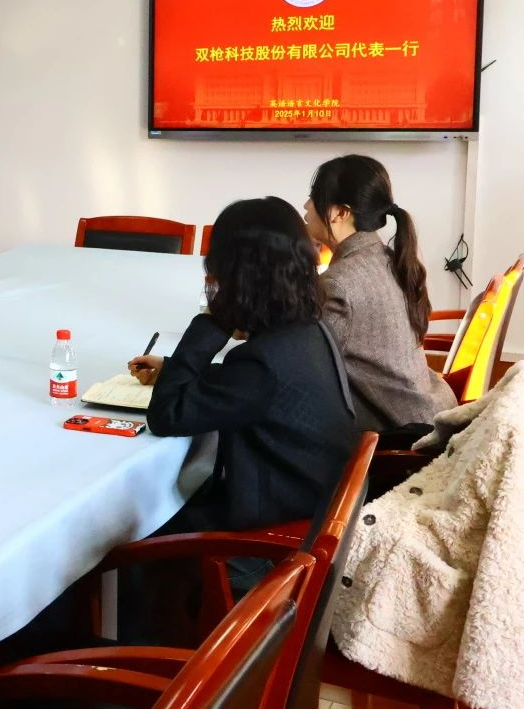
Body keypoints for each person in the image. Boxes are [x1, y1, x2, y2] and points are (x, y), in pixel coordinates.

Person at [129, 197, 357, 532]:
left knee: (127, 531)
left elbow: (165, 415)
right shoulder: (310, 330)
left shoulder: (260, 362)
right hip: (308, 513)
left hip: (265, 540)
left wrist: (213, 319)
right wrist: (172, 367)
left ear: (236, 275)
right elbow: (254, 389)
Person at [304, 154, 456, 429]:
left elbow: (307, 364)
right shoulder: (387, 258)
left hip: (397, 433)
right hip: (426, 409)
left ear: (340, 213)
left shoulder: (340, 282)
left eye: (314, 197)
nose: (306, 205)